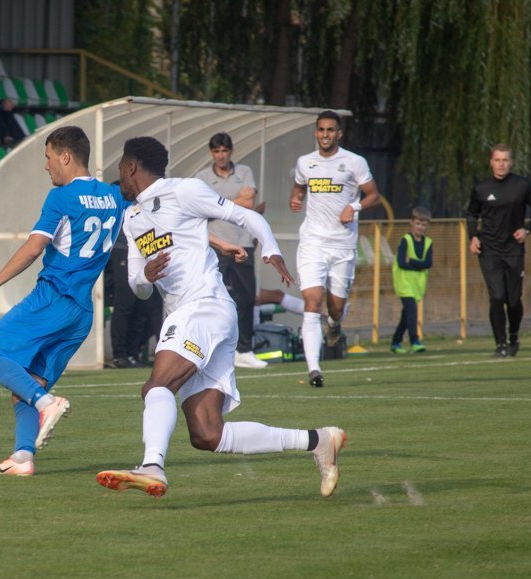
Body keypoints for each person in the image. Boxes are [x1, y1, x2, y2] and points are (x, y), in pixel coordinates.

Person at [95, 137, 346, 500]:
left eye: (120, 166)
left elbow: (247, 216)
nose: (118, 174)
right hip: (192, 317)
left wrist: (271, 249)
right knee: (207, 434)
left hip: (204, 307)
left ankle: (152, 466)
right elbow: (139, 286)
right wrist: (145, 277)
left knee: (156, 386)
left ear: (131, 166)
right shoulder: (131, 218)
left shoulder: (183, 191)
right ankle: (319, 441)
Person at [0, 126, 127, 476]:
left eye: (49, 157)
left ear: (65, 157)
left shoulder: (61, 198)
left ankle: (48, 404)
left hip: (52, 297)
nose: (46, 165)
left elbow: (34, 249)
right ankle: (23, 457)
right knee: (26, 385)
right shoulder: (115, 196)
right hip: (81, 312)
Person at [289, 110, 380, 388]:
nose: (325, 134)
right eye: (321, 130)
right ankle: (314, 369)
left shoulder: (354, 162)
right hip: (313, 242)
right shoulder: (305, 162)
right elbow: (298, 188)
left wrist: (353, 206)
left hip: (342, 245)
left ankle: (334, 323)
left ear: (339, 133)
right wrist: (296, 199)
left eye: (330, 130)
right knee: (312, 301)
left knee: (336, 308)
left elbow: (374, 195)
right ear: (315, 132)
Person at [194, 132, 268, 369]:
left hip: (242, 242)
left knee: (246, 298)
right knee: (209, 298)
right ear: (211, 153)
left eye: (224, 151)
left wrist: (216, 203)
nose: (221, 156)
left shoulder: (244, 171)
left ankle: (244, 350)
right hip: (215, 245)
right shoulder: (202, 177)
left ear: (230, 151)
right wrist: (234, 201)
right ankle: (205, 349)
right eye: (216, 151)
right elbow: (201, 208)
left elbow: (249, 202)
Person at [465, 144, 531, 357]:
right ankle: (500, 345)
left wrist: (527, 229)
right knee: (497, 296)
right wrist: (473, 236)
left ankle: (514, 336)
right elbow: (472, 214)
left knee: (513, 300)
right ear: (491, 162)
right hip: (489, 250)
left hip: (513, 250)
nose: (501, 164)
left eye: (505, 160)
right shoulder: (481, 188)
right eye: (497, 160)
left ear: (511, 163)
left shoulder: (522, 185)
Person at [106, 230, 162, 368]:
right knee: (125, 304)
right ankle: (119, 355)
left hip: (148, 247)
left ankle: (132, 353)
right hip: (124, 247)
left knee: (147, 307)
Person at [390, 207, 433, 354]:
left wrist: (412, 261)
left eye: (423, 224)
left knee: (407, 314)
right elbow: (402, 262)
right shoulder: (405, 240)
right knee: (412, 310)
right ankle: (414, 340)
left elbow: (428, 263)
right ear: (412, 223)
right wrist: (419, 266)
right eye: (418, 223)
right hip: (404, 282)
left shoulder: (428, 242)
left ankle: (396, 341)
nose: (420, 227)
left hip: (417, 284)